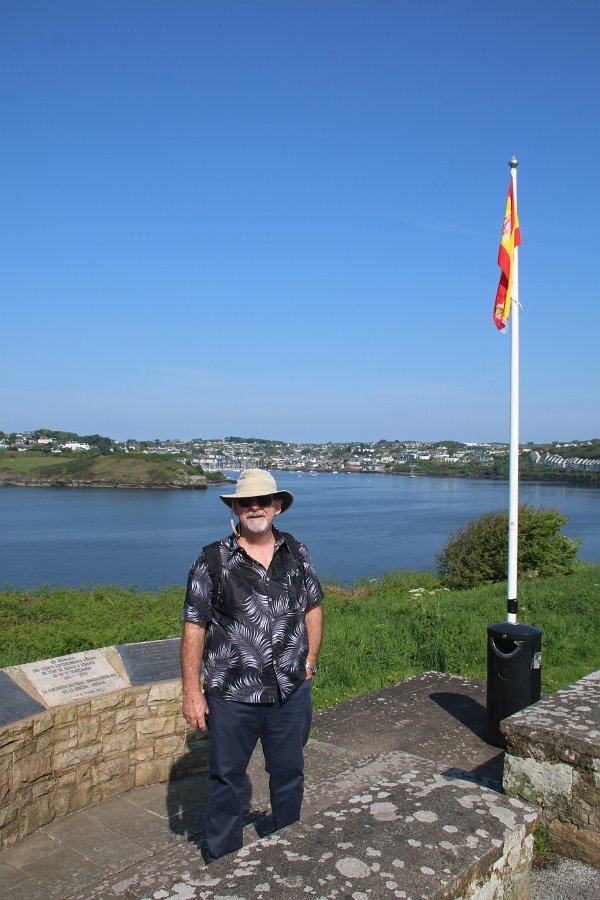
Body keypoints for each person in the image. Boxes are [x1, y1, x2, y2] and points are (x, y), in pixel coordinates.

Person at [181, 468, 323, 859]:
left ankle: (287, 847)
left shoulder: (296, 551)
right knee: (226, 781)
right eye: (246, 502)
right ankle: (224, 862)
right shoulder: (212, 560)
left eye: (263, 501)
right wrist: (192, 691)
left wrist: (310, 661)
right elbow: (195, 626)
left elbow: (313, 606)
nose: (255, 507)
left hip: (289, 692)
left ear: (277, 506)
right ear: (236, 508)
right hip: (232, 695)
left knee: (289, 774)